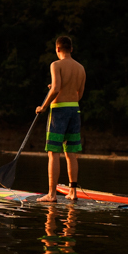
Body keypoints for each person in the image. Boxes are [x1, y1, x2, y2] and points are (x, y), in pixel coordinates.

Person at [36, 35, 86, 202]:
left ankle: (52, 194)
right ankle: (73, 192)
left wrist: (43, 107)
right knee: (71, 153)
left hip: (59, 111)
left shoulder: (55, 65)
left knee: (54, 153)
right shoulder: (81, 68)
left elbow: (56, 88)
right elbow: (79, 94)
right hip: (74, 110)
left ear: (57, 49)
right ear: (71, 49)